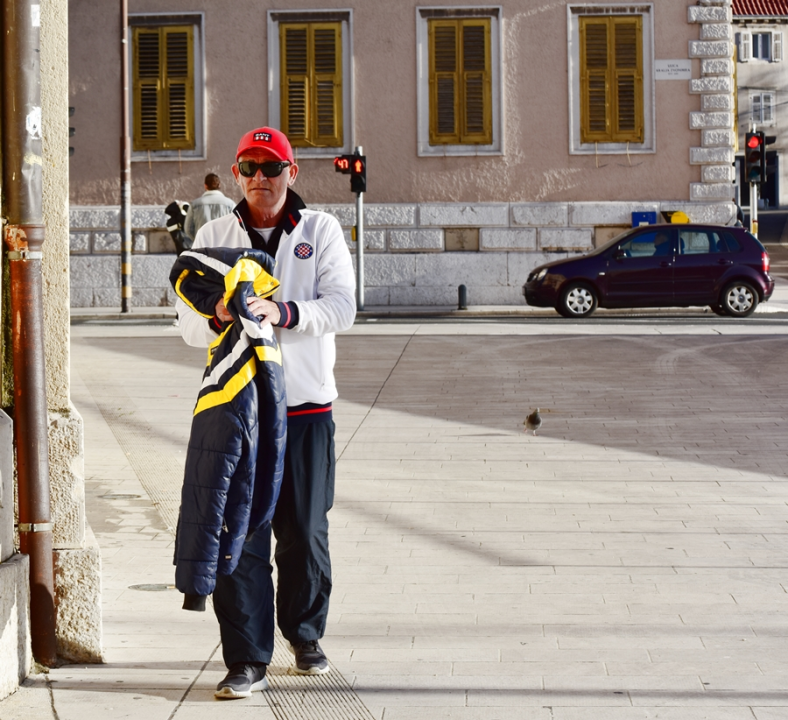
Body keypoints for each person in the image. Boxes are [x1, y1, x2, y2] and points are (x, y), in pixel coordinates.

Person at [175, 127, 356, 699]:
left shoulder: (320, 230)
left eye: (272, 167)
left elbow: (342, 307)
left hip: (305, 408)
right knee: (241, 537)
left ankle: (305, 634)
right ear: (236, 173)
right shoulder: (214, 235)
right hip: (240, 412)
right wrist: (218, 315)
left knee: (305, 533)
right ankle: (247, 658)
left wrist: (283, 313)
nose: (260, 177)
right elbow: (185, 322)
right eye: (250, 167)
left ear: (291, 173)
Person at [183, 172, 236, 242]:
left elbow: (188, 229)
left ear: (205, 186)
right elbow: (236, 228)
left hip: (202, 245)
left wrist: (198, 240)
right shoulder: (230, 204)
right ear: (219, 185)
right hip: (224, 246)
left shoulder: (194, 204)